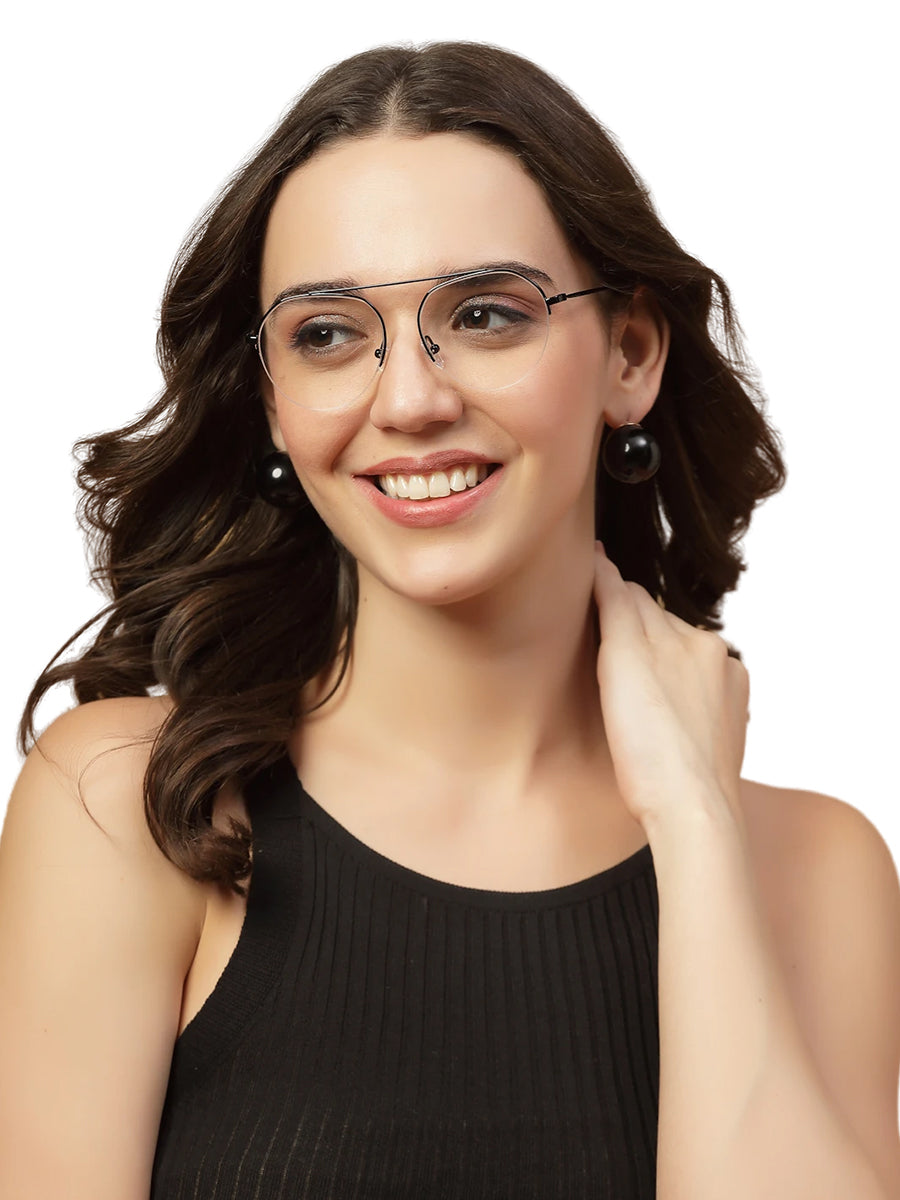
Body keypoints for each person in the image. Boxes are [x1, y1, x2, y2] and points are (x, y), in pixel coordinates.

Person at [1, 40, 898, 1200]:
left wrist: (695, 821)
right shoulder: (133, 806)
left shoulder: (819, 870)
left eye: (484, 314)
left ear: (629, 354)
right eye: (327, 334)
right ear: (272, 399)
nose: (412, 399)